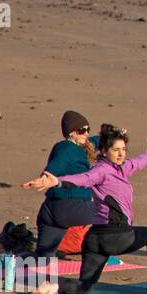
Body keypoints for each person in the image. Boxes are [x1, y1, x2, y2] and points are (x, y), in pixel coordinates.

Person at [21, 124, 147, 294]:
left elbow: (137, 162)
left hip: (94, 240)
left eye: (123, 149)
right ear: (104, 151)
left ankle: (50, 287)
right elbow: (83, 179)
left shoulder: (121, 168)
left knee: (83, 287)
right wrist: (56, 181)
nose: (121, 154)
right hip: (115, 236)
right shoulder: (101, 170)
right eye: (116, 150)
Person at [33, 110, 98, 258]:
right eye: (82, 130)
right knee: (111, 214)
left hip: (49, 211)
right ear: (71, 133)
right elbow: (56, 165)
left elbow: (95, 141)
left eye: (88, 130)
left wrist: (114, 134)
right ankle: (102, 255)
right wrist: (44, 178)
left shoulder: (78, 147)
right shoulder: (67, 149)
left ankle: (7, 262)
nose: (86, 133)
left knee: (42, 258)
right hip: (71, 207)